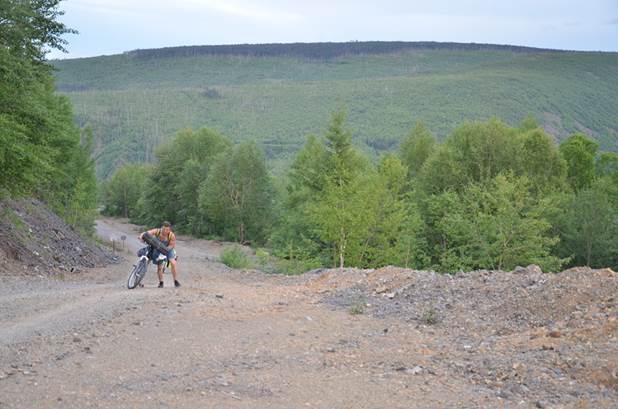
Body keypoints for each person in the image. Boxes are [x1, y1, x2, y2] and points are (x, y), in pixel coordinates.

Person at [139, 221, 181, 288]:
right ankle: (161, 282)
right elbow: (146, 233)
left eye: (167, 229)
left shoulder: (171, 235)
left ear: (169, 230)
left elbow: (171, 245)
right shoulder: (157, 231)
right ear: (161, 228)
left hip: (168, 249)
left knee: (173, 263)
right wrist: (141, 236)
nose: (165, 231)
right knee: (157, 266)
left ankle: (176, 281)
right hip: (157, 248)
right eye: (163, 229)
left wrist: (164, 250)